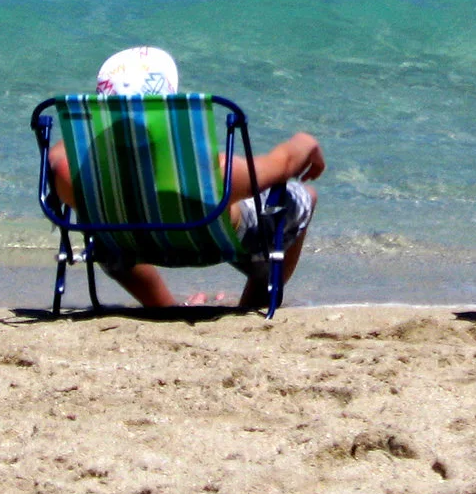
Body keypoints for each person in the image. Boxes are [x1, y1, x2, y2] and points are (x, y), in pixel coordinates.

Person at [44, 46, 325, 311]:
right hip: (212, 242)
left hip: (125, 245)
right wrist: (305, 142)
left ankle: (164, 308)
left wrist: (89, 137)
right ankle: (255, 301)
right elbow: (283, 164)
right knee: (302, 196)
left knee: (101, 227)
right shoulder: (210, 170)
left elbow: (58, 153)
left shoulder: (71, 172)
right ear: (170, 104)